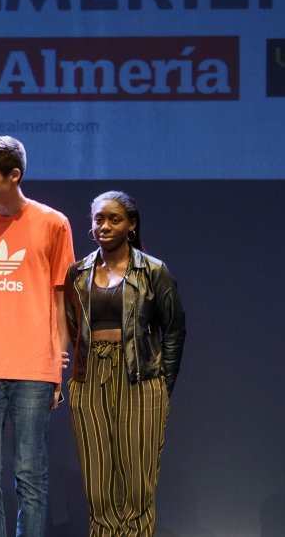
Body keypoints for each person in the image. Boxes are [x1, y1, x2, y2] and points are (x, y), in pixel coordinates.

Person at [0, 136, 75, 537]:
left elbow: (61, 297)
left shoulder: (53, 223)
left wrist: (57, 362)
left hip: (33, 368)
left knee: (30, 474)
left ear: (14, 176)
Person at [63, 191, 185, 535]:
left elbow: (173, 330)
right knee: (98, 485)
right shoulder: (78, 273)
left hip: (140, 379)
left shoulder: (153, 271)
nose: (104, 226)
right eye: (98, 219)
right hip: (90, 379)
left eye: (114, 219)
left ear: (131, 225)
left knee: (136, 486)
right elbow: (72, 326)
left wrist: (161, 386)